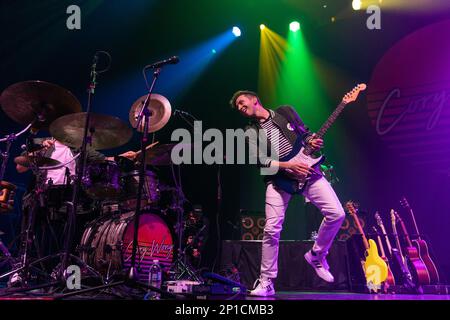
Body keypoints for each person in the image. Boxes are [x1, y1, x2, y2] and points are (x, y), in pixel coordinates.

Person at [229, 90, 345, 297]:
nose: (239, 107)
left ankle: (317, 255)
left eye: (241, 102)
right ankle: (266, 282)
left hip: (308, 171)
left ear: (255, 99)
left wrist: (312, 141)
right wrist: (287, 165)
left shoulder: (285, 112)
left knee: (337, 214)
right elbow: (261, 162)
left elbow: (305, 133)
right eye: (237, 107)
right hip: (279, 179)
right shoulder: (250, 131)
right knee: (271, 230)